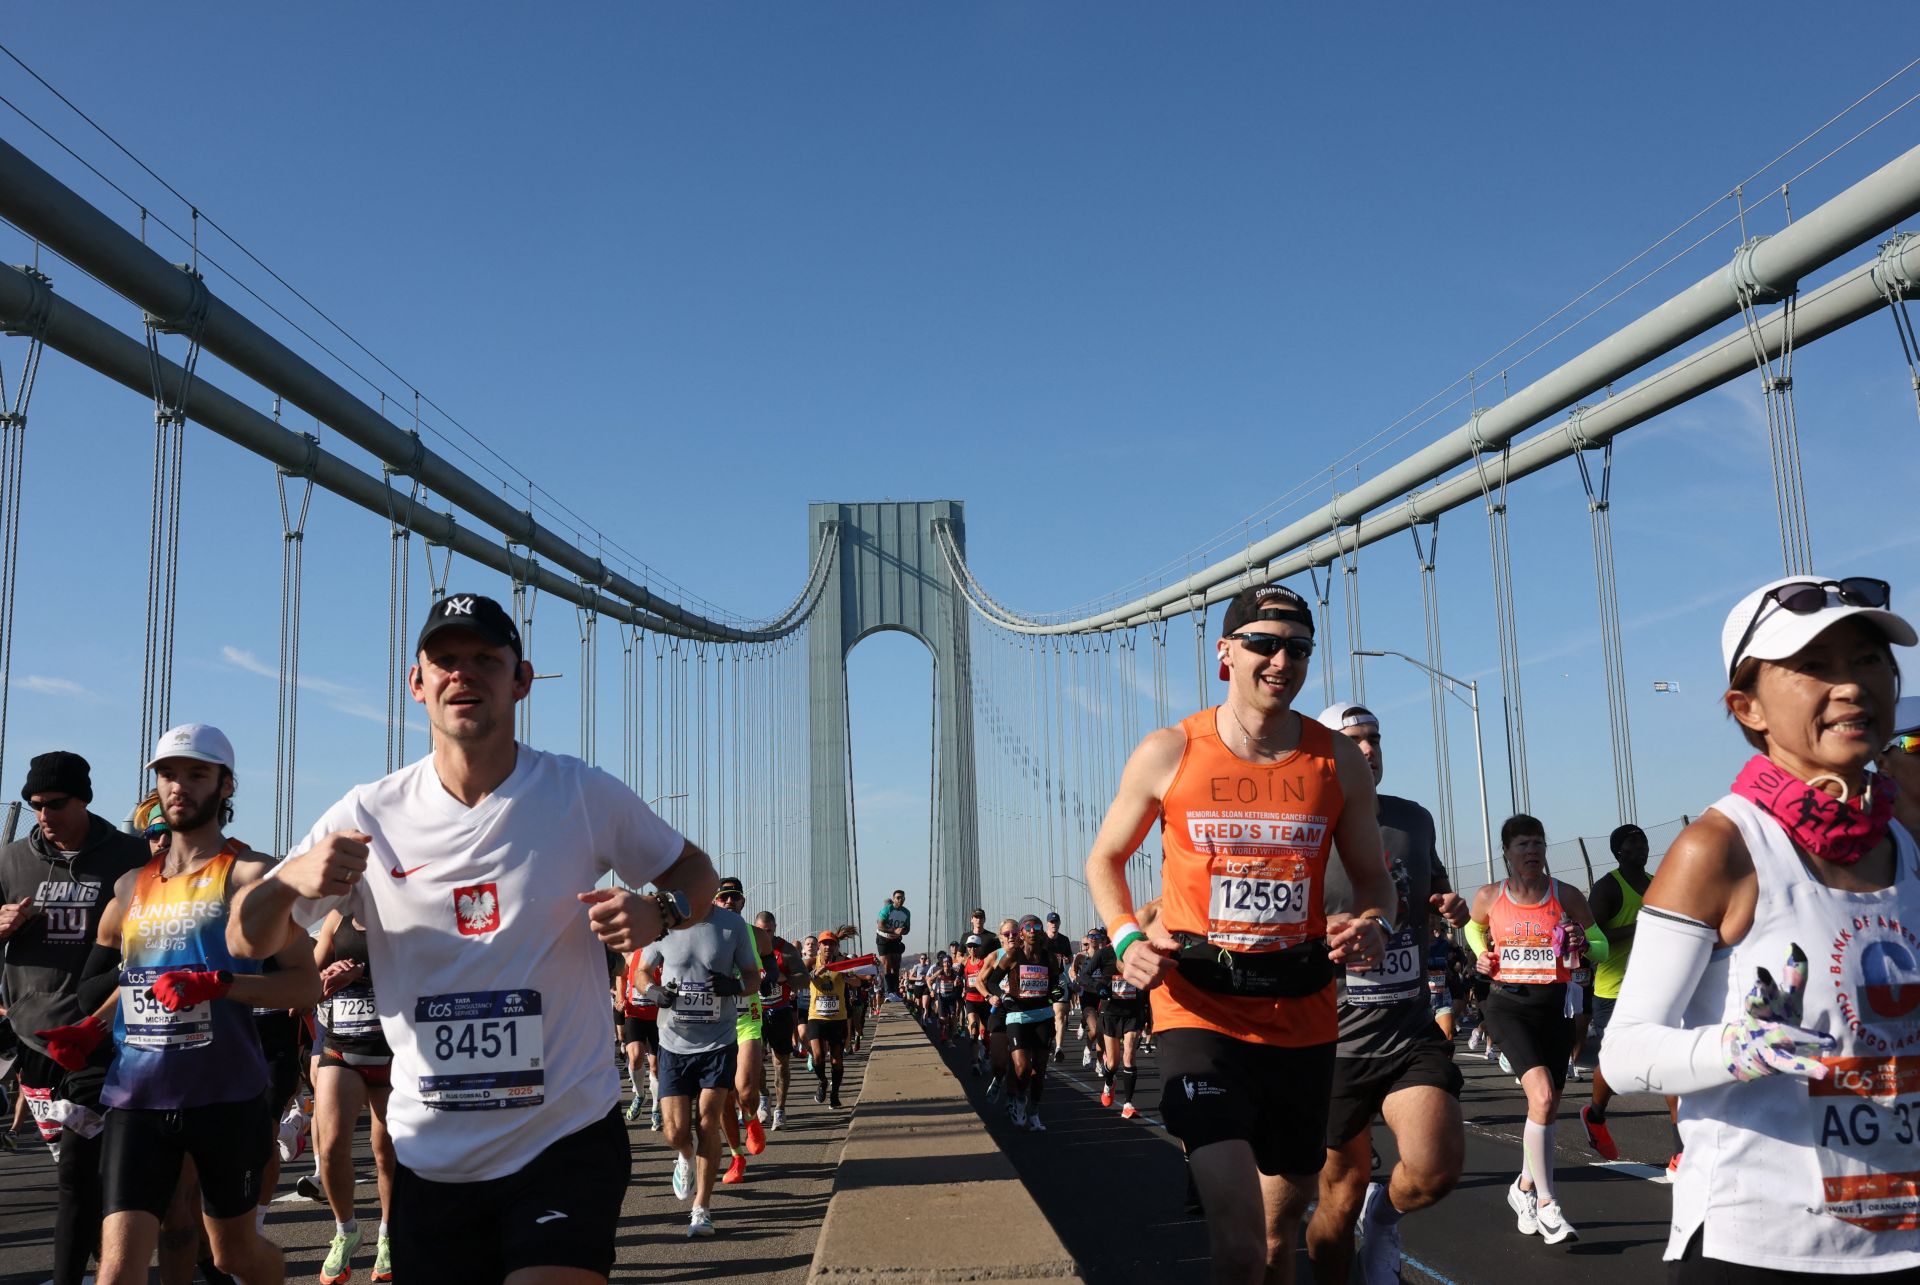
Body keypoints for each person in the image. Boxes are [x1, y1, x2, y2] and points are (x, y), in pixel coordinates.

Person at [227, 591, 719, 1285]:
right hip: (431, 1155)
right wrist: (287, 881)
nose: (464, 674)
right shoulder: (369, 810)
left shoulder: (579, 792)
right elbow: (246, 938)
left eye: (486, 659)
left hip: (563, 1137)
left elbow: (697, 870)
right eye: (446, 660)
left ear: (521, 679)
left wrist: (659, 912)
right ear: (416, 682)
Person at [1602, 574, 1920, 1279]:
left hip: (1904, 1237)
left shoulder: (1908, 838)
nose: (1851, 685)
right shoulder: (1721, 849)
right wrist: (1740, 1049)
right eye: (1814, 666)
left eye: (1868, 659)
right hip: (1763, 1245)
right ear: (1747, 707)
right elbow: (1622, 1055)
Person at [1086, 582, 1395, 1285]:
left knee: (1276, 1238)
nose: (1281, 659)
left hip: (1302, 1013)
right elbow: (1104, 859)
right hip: (1200, 1008)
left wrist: (1375, 925)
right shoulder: (1170, 751)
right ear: (1226, 653)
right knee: (1239, 1249)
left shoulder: (1337, 762)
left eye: (1299, 648)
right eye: (1264, 642)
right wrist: (1129, 939)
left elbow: (1376, 882)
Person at [91, 724, 322, 1285]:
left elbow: (306, 984)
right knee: (117, 1269)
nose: (179, 786)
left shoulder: (250, 875)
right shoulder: (129, 887)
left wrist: (221, 985)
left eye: (197, 774)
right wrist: (88, 1025)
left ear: (225, 786)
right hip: (136, 1097)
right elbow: (132, 979)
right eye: (168, 774)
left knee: (234, 1257)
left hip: (224, 1097)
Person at [1299, 703, 1469, 1285]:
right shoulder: (1305, 824)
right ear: (1329, 756)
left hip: (1407, 1028)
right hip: (1334, 1042)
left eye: (1374, 738)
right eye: (1353, 741)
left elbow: (1434, 886)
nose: (1368, 749)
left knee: (1434, 1167)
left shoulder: (1414, 819)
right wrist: (1323, 937)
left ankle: (1387, 1215)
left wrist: (1450, 904)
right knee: (1338, 1200)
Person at [0, 750, 145, 1285]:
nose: (43, 814)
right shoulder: (10, 860)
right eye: (33, 804)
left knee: (77, 1173)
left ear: (83, 797)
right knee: (86, 1173)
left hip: (105, 1038)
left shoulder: (129, 857)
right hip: (33, 1044)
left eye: (55, 803)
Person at [1465, 813, 1603, 1248]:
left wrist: (1583, 943)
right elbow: (1473, 928)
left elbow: (1600, 943)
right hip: (1508, 1005)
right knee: (1541, 1096)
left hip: (1555, 1006)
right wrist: (1481, 957)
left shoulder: (1567, 896)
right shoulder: (1490, 896)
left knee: (1548, 1105)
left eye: (1538, 844)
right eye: (1523, 845)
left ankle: (1522, 1187)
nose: (1532, 852)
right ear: (1506, 853)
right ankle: (1547, 1205)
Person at [642, 882, 760, 1236]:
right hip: (673, 1042)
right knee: (675, 1131)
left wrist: (736, 986)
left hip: (718, 1042)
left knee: (709, 1121)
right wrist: (653, 991)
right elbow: (641, 972)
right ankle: (684, 1155)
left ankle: (702, 1207)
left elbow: (754, 976)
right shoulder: (663, 924)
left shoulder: (731, 926)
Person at [1579, 823, 1678, 1167]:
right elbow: (1593, 941)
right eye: (1635, 844)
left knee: (1671, 1066)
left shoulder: (1655, 884)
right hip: (1613, 991)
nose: (1643, 848)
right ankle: (1595, 1114)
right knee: (1615, 1065)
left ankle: (1682, 1152)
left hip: (1654, 986)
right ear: (1619, 851)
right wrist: (1641, 926)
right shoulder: (1607, 888)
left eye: (1645, 842)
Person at [311, 906, 398, 1283]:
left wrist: (373, 974)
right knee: (330, 1147)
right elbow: (303, 984)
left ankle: (388, 1235)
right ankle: (346, 1230)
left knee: (386, 1152)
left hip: (393, 1050)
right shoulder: (335, 918)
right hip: (340, 1046)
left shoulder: (403, 906)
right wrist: (328, 979)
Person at [981, 915, 1062, 1130]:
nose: (1033, 930)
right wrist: (1002, 995)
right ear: (1023, 933)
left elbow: (1055, 985)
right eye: (1028, 926)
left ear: (1041, 931)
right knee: (1022, 1068)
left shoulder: (1050, 958)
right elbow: (991, 981)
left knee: (1040, 1071)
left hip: (1043, 1016)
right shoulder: (1012, 955)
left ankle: (1034, 1113)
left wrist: (1058, 992)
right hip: (1017, 1015)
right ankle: (1019, 1100)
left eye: (1037, 926)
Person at [753, 909, 804, 1131]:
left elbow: (804, 979)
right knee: (753, 1061)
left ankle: (780, 1109)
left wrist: (783, 978)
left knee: (780, 1062)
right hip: (754, 1012)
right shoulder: (746, 947)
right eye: (761, 931)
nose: (765, 935)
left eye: (769, 931)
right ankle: (763, 1096)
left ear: (775, 929)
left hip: (780, 1011)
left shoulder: (787, 950)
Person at [617, 948, 662, 1129]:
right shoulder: (630, 952)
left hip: (658, 1016)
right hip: (634, 1013)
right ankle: (640, 1095)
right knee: (635, 1057)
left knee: (656, 1067)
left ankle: (656, 1109)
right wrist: (620, 996)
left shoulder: (662, 951)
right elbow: (620, 974)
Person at [806, 931, 853, 1106]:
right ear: (819, 946)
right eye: (824, 943)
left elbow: (858, 982)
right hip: (816, 1016)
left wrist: (851, 977)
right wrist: (817, 972)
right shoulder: (812, 962)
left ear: (835, 947)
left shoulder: (843, 964)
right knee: (818, 1056)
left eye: (831, 944)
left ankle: (835, 1093)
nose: (828, 947)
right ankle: (822, 1081)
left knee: (836, 1059)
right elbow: (801, 979)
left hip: (837, 1018)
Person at [1039, 911, 1075, 1060]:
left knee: (1060, 1015)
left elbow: (1071, 957)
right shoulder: (1041, 939)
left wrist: (1067, 960)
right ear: (1047, 924)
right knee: (1046, 1015)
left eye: (1056, 922)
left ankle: (1059, 1048)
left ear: (1059, 924)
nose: (1054, 925)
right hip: (1042, 979)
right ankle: (1048, 1040)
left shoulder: (1064, 940)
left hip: (1059, 978)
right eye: (1051, 922)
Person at [875, 889, 910, 1000]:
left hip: (895, 940)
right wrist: (894, 931)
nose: (900, 900)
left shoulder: (906, 912)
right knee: (887, 965)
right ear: (894, 899)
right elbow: (880, 926)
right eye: (898, 898)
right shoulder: (887, 910)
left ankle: (895, 992)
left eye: (902, 898)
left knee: (896, 966)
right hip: (883, 938)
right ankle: (888, 993)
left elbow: (907, 929)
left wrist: (902, 931)